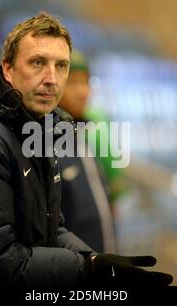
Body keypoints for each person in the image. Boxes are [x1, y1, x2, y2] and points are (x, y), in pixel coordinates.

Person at [0, 12, 172, 287]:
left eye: (61, 66)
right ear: (7, 68)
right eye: (38, 63)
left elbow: (51, 230)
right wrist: (85, 268)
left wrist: (97, 261)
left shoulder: (36, 128)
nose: (51, 78)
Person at [59, 51, 128, 253]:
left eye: (86, 82)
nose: (83, 92)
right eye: (73, 83)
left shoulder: (83, 136)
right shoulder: (45, 145)